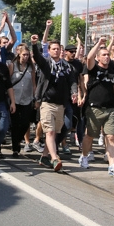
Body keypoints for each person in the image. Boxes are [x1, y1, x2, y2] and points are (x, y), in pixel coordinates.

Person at [33, 38, 76, 173]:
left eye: (58, 49)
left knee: (55, 133)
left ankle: (44, 156)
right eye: (54, 49)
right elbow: (37, 57)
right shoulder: (46, 63)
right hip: (47, 102)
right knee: (50, 132)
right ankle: (54, 157)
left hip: (61, 104)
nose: (57, 51)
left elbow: (73, 81)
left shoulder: (67, 66)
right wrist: (34, 44)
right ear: (49, 50)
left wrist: (74, 92)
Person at [80, 39, 114, 174]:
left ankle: (112, 165)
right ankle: (84, 156)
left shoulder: (112, 70)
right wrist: (98, 43)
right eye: (103, 55)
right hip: (95, 108)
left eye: (108, 55)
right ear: (98, 58)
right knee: (90, 135)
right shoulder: (93, 69)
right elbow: (90, 57)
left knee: (110, 136)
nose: (107, 57)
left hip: (110, 109)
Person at [7, 44, 36, 158]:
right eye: (24, 55)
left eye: (28, 55)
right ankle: (15, 148)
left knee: (25, 123)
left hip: (27, 99)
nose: (26, 57)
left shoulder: (31, 68)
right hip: (14, 98)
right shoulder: (12, 66)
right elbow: (8, 82)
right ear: (19, 54)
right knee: (15, 124)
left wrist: (35, 97)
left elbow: (33, 84)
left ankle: (17, 140)